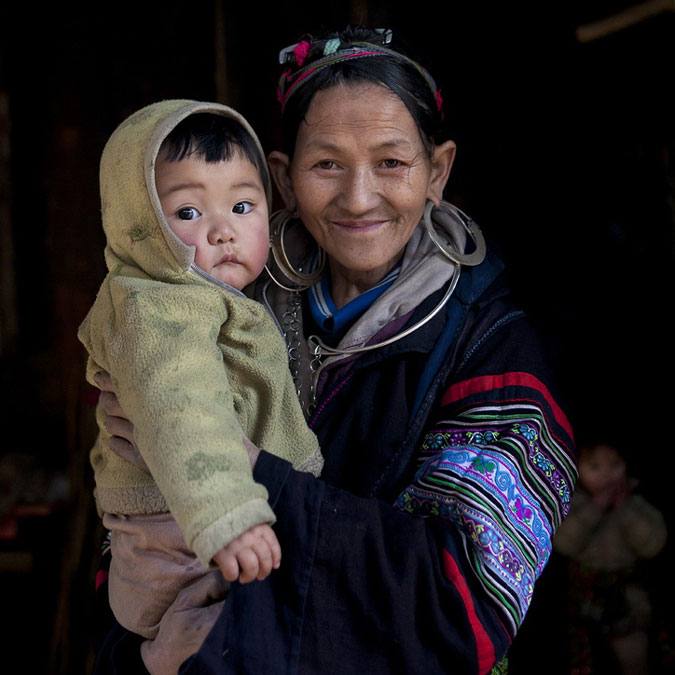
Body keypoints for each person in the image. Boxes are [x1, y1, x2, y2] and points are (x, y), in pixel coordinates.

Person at [93, 26, 577, 674]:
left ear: (436, 172)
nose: (357, 197)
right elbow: (129, 526)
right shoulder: (209, 309)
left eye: (391, 163)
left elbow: (458, 605)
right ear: (283, 178)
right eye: (327, 164)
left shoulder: (490, 351)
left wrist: (244, 469)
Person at [78, 99, 323, 672]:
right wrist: (228, 515)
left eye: (242, 205)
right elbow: (183, 406)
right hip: (178, 531)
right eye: (187, 212)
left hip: (200, 521)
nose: (223, 231)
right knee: (209, 637)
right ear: (135, 219)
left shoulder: (210, 299)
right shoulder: (155, 307)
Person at [553, 440, 667, 674]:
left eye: (615, 465)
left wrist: (625, 509)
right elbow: (563, 544)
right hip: (583, 600)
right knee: (584, 659)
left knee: (634, 658)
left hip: (628, 601)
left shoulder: (635, 501)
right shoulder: (571, 504)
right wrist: (594, 508)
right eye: (594, 467)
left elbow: (653, 545)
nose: (606, 475)